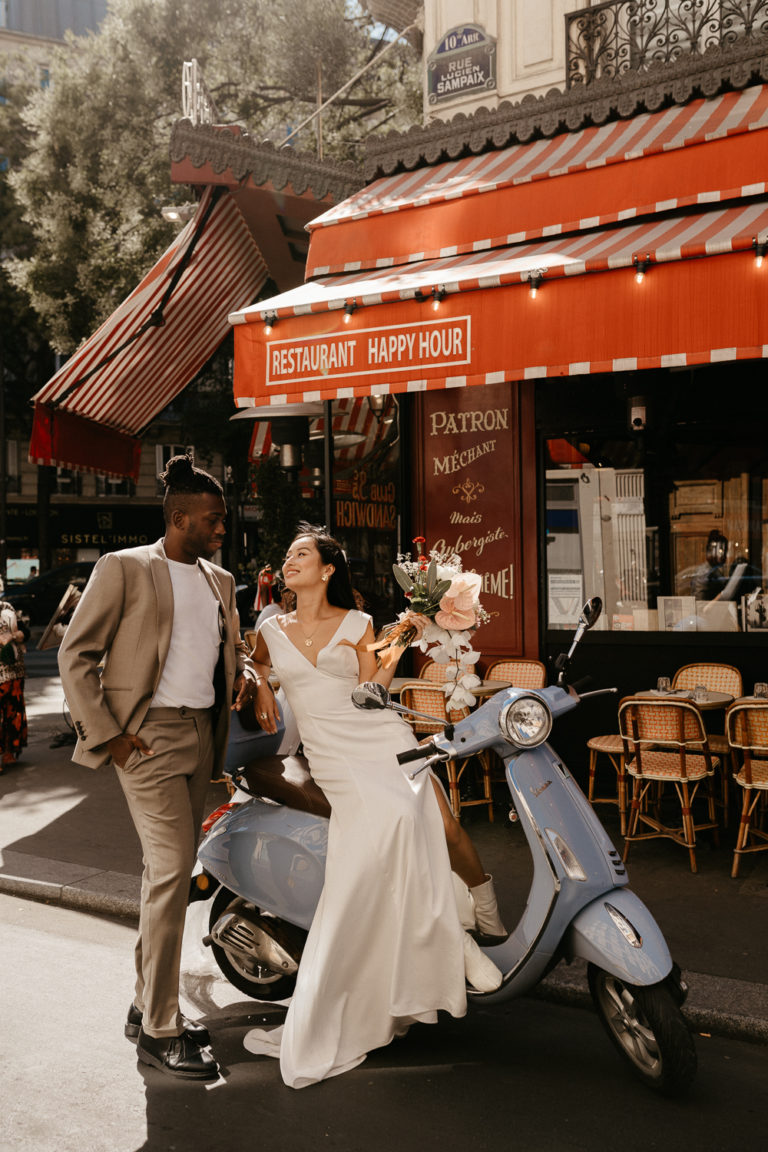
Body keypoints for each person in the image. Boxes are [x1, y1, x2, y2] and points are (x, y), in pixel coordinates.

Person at [245, 522, 504, 1089]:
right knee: (384, 833)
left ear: (328, 569)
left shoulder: (360, 624)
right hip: (331, 753)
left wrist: (403, 640)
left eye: (301, 554)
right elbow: (253, 664)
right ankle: (450, 943)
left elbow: (373, 690)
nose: (290, 561)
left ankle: (456, 937)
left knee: (415, 820)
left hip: (376, 735)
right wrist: (260, 681)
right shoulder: (270, 627)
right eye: (287, 553)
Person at [58, 455, 257, 1082]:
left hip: (203, 737)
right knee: (173, 872)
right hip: (145, 740)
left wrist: (248, 679)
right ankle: (161, 1030)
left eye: (222, 519)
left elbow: (226, 653)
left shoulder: (220, 581)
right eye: (212, 519)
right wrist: (110, 736)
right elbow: (75, 653)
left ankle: (146, 1001)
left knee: (161, 872)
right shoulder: (124, 568)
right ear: (178, 517)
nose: (222, 528)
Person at [0, 600, 29, 769]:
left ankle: (9, 751)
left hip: (15, 671)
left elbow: (25, 631)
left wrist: (15, 635)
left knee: (13, 711)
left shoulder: (8, 607)